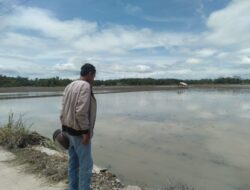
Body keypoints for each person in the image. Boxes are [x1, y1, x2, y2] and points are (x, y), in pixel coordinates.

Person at [60, 63, 97, 190]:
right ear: (90, 73)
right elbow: (81, 112)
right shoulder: (85, 86)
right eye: (94, 76)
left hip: (67, 130)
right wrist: (85, 132)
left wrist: (63, 127)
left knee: (73, 162)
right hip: (79, 133)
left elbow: (62, 110)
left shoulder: (69, 85)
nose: (94, 79)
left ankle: (72, 188)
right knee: (86, 165)